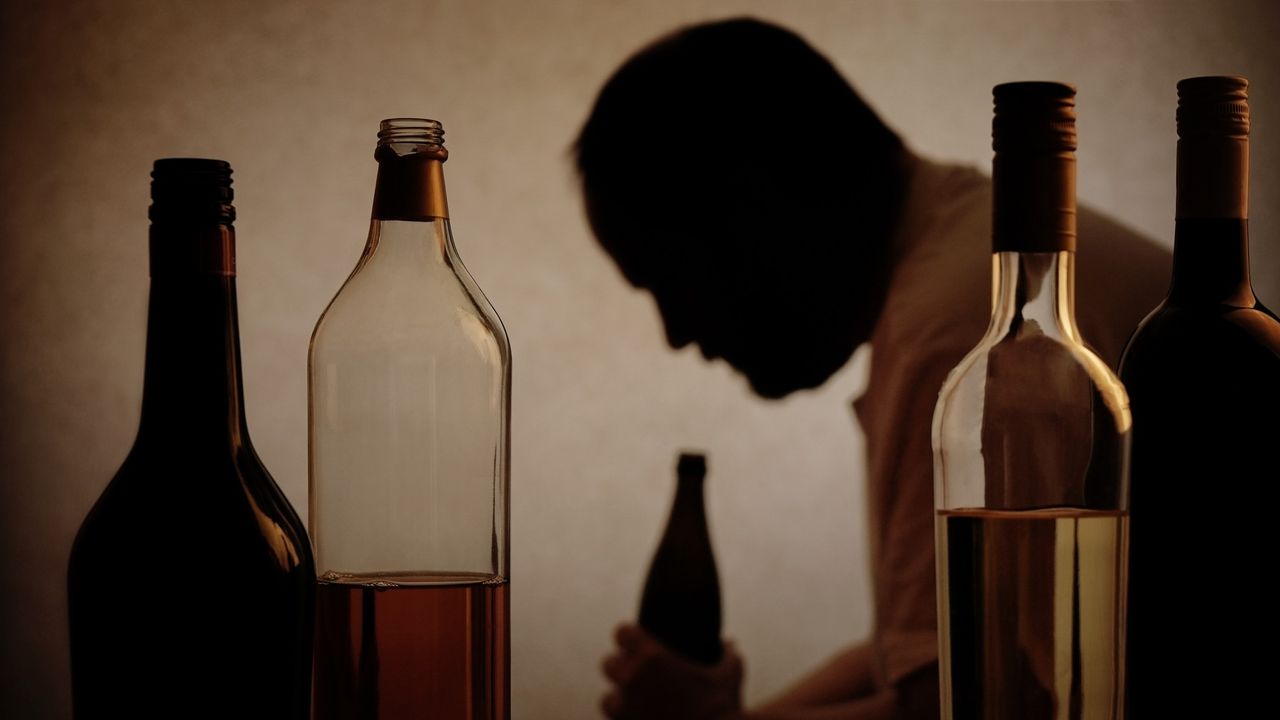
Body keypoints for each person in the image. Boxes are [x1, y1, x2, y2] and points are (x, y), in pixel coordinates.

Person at [575, 17, 1170, 720]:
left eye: (669, 279)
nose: (675, 334)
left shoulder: (962, 330)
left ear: (752, 207)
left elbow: (943, 707)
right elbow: (925, 651)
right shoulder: (958, 254)